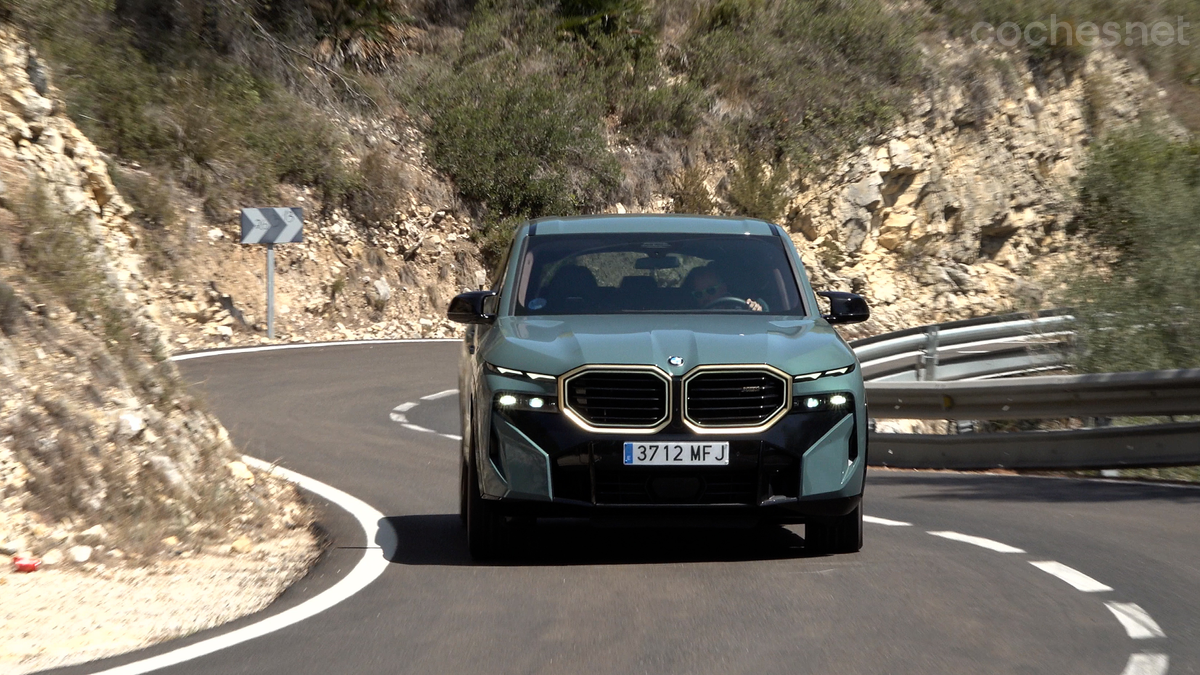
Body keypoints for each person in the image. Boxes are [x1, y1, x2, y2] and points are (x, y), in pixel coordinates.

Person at [686, 265, 764, 311]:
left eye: (711, 291)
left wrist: (754, 309)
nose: (706, 298)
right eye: (699, 294)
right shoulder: (687, 317)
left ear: (723, 289)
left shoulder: (740, 309)